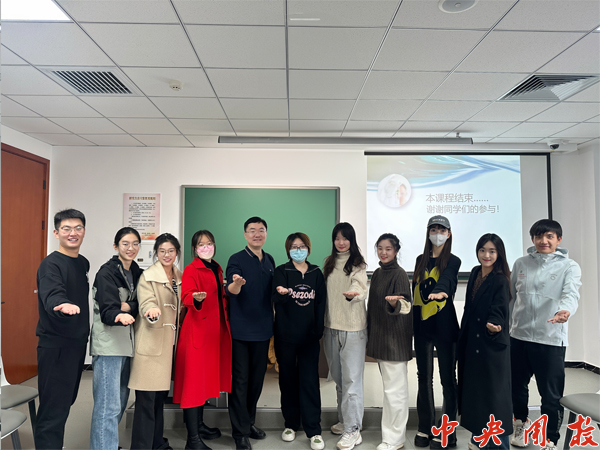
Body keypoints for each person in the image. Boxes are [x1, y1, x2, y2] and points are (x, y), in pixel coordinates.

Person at [509, 219, 581, 450]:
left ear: (559, 239)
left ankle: (551, 439)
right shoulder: (521, 263)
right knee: (516, 387)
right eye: (539, 236)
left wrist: (565, 310)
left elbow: (571, 294)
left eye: (549, 236)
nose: (544, 241)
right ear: (532, 239)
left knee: (550, 395)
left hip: (550, 338)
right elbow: (512, 298)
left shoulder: (569, 266)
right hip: (519, 337)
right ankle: (520, 424)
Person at [34, 209, 90, 450]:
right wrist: (61, 304)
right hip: (56, 346)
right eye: (66, 228)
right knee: (53, 410)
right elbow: (52, 292)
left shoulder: (82, 262)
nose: (72, 233)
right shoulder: (51, 264)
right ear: (56, 233)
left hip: (76, 344)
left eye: (78, 228)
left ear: (84, 231)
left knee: (65, 402)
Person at [174, 230, 232, 450]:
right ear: (194, 249)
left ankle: (199, 425)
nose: (206, 247)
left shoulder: (216, 267)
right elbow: (186, 296)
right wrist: (195, 299)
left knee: (204, 382)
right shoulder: (191, 269)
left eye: (209, 243)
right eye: (201, 244)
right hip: (197, 333)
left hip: (213, 333)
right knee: (193, 385)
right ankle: (193, 440)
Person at [90, 227, 143, 450]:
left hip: (127, 346)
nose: (131, 248)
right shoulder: (107, 273)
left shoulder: (137, 272)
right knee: (107, 406)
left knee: (120, 401)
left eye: (135, 244)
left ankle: (108, 444)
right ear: (116, 246)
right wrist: (121, 312)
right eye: (125, 244)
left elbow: (141, 304)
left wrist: (128, 307)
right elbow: (108, 311)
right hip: (109, 346)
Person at [272, 232, 327, 450]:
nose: (298, 250)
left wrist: (318, 330)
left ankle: (314, 430)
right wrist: (282, 292)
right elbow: (276, 298)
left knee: (310, 381)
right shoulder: (281, 271)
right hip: (285, 337)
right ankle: (291, 424)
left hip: (309, 338)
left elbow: (321, 303)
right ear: (288, 250)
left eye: (302, 246)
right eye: (294, 247)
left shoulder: (316, 273)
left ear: (308, 249)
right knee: (287, 380)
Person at [457, 234, 512, 450]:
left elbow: (500, 308)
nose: (486, 255)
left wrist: (495, 324)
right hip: (473, 343)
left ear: (499, 254)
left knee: (494, 398)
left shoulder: (500, 279)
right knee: (477, 395)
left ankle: (500, 445)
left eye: (492, 251)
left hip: (491, 344)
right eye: (482, 250)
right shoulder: (474, 272)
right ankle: (479, 437)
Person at [129, 233, 183, 450]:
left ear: (177, 252)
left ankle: (157, 443)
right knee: (146, 401)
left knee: (159, 399)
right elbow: (147, 301)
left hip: (169, 346)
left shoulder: (179, 276)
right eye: (162, 251)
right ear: (156, 253)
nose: (166, 255)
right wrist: (151, 309)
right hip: (151, 345)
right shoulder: (148, 276)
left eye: (171, 251)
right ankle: (141, 446)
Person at [226, 216, 275, 450]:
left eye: (261, 230)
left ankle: (249, 422)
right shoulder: (236, 259)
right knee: (240, 382)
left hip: (263, 330)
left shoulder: (270, 260)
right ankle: (240, 433)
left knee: (256, 381)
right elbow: (231, 289)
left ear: (266, 234)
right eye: (252, 230)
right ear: (245, 234)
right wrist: (237, 283)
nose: (257, 234)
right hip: (240, 331)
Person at [412, 215, 461, 449]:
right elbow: (416, 293)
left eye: (442, 230)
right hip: (423, 328)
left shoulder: (453, 260)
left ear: (449, 234)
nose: (438, 234)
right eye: (434, 229)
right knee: (424, 378)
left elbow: (448, 279)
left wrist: (441, 291)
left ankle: (447, 431)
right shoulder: (420, 260)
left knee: (448, 380)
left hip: (445, 328)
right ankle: (425, 427)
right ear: (428, 232)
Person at [323, 222, 368, 450]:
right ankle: (345, 420)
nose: (341, 242)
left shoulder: (358, 264)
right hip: (330, 327)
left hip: (353, 329)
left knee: (352, 382)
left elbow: (360, 287)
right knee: (339, 380)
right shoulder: (329, 263)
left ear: (352, 240)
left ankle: (353, 430)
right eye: (337, 238)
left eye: (345, 238)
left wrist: (354, 294)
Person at [366, 233, 413, 450]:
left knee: (395, 392)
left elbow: (406, 306)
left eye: (388, 249)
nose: (383, 253)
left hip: (395, 341)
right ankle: (391, 435)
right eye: (380, 248)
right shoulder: (377, 273)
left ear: (396, 251)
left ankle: (395, 439)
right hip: (380, 338)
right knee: (389, 390)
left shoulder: (399, 274)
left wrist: (396, 304)